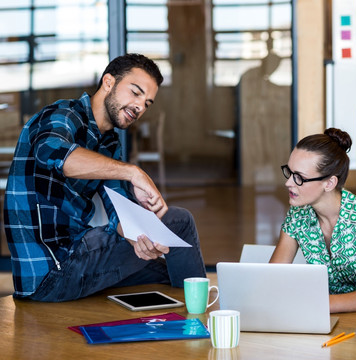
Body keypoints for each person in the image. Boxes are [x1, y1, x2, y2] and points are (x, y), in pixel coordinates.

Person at [3, 53, 206, 301]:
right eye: (135, 92)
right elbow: (57, 155)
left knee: (165, 270)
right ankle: (203, 319)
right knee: (180, 221)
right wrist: (132, 172)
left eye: (147, 102)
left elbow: (120, 215)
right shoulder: (62, 115)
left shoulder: (108, 143)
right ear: (108, 82)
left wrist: (138, 236)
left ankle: (183, 326)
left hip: (73, 260)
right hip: (52, 268)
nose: (140, 106)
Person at [270, 128, 356, 314]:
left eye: (300, 178)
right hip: (328, 321)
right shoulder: (297, 215)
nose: (289, 183)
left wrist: (315, 304)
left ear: (329, 183)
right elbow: (272, 278)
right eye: (289, 172)